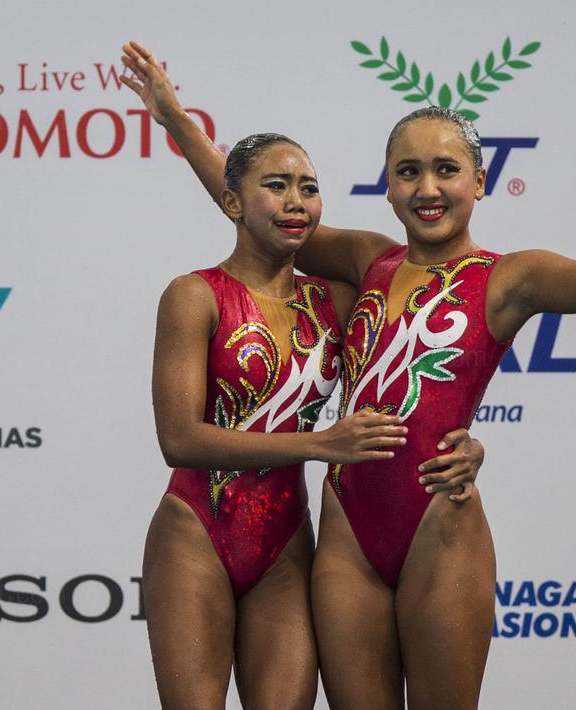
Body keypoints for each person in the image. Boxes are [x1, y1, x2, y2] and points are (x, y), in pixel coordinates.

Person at [124, 40, 576, 710]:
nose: (427, 188)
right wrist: (175, 121)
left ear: (479, 182)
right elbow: (254, 202)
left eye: (445, 170)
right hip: (344, 537)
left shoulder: (508, 278)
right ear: (388, 185)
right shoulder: (366, 260)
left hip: (438, 521)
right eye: (407, 172)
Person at [144, 129, 485, 710]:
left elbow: (421, 372)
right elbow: (178, 440)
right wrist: (318, 443)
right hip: (194, 531)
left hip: (285, 545)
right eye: (276, 187)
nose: (295, 202)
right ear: (232, 203)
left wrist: (465, 444)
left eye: (308, 188)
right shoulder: (194, 295)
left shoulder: (340, 300)